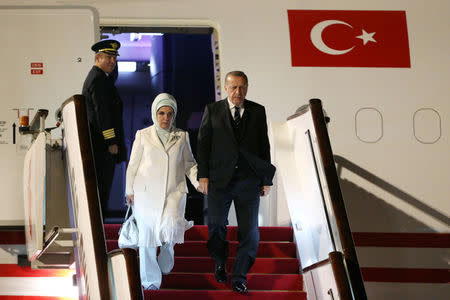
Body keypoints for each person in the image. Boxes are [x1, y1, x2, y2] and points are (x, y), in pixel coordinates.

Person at [197, 71, 276, 294]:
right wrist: (203, 175)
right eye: (233, 87)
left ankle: (240, 277)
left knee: (250, 231)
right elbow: (203, 144)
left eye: (242, 87)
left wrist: (266, 178)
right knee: (216, 226)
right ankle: (220, 262)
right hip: (218, 180)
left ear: (247, 88)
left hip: (249, 180)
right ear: (226, 87)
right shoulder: (212, 110)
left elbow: (264, 146)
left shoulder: (257, 111)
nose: (238, 92)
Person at [125, 93, 202, 290]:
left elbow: (189, 164)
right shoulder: (142, 135)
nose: (165, 118)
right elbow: (133, 166)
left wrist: (198, 182)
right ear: (154, 113)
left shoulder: (182, 136)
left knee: (170, 226)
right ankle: (150, 282)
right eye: (161, 113)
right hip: (145, 195)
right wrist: (129, 191)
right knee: (148, 238)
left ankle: (168, 249)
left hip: (173, 191)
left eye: (169, 113)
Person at [82, 39, 126, 218]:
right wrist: (111, 141)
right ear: (97, 58)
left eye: (114, 58)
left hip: (101, 145)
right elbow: (102, 115)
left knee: (102, 191)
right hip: (101, 146)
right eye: (108, 57)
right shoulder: (98, 80)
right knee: (101, 189)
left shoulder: (102, 79)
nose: (112, 61)